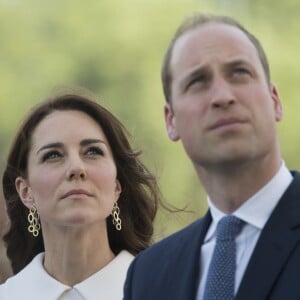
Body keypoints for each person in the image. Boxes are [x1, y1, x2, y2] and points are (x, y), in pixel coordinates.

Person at [124, 13, 300, 300]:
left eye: (239, 73)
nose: (222, 95)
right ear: (171, 121)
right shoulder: (148, 276)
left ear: (275, 101)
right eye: (198, 81)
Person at [0, 88, 160, 299]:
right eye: (53, 155)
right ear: (25, 191)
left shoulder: (164, 290)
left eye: (93, 151)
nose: (76, 168)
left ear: (116, 187)